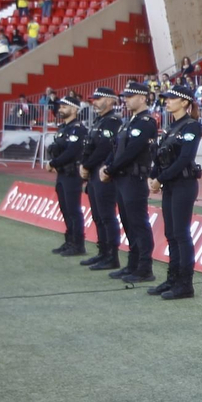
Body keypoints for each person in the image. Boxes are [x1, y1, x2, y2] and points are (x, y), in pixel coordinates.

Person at [148, 84, 202, 300]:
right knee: (171, 233)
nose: (167, 102)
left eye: (172, 98)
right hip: (170, 185)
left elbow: (184, 158)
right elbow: (160, 156)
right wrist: (153, 175)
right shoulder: (171, 127)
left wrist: (160, 179)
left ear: (184, 102)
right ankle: (173, 278)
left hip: (183, 184)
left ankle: (185, 283)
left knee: (181, 234)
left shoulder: (191, 126)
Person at [101, 80, 159, 285]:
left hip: (135, 178)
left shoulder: (146, 122)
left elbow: (132, 151)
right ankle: (133, 263)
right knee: (128, 221)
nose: (126, 100)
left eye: (130, 96)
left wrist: (110, 169)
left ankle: (144, 267)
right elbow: (117, 148)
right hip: (122, 177)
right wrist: (108, 165)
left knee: (138, 223)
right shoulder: (129, 122)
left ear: (142, 98)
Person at [79, 87, 123, 272]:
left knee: (106, 215)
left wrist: (87, 165)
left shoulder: (112, 121)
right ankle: (103, 252)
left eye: (98, 99)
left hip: (103, 172)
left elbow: (104, 147)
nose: (94, 102)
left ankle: (112, 256)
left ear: (110, 100)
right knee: (98, 216)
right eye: (93, 99)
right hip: (94, 172)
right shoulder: (99, 121)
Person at [46, 94, 88, 255]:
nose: (60, 109)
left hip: (72, 173)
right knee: (65, 208)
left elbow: (72, 151)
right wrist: (55, 162)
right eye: (61, 106)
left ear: (74, 109)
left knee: (73, 209)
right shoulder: (63, 128)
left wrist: (53, 163)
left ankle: (78, 244)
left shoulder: (78, 129)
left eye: (65, 106)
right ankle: (69, 241)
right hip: (62, 173)